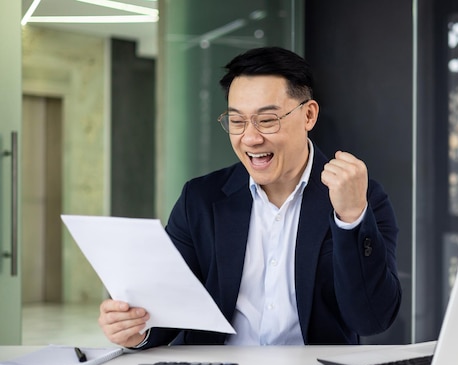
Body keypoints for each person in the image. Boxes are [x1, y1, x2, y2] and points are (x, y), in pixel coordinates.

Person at [98, 46, 401, 348]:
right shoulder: (200, 199)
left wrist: (351, 219)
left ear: (308, 115)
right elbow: (168, 306)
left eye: (267, 120)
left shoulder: (361, 197)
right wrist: (137, 328)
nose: (251, 138)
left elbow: (371, 319)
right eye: (237, 121)